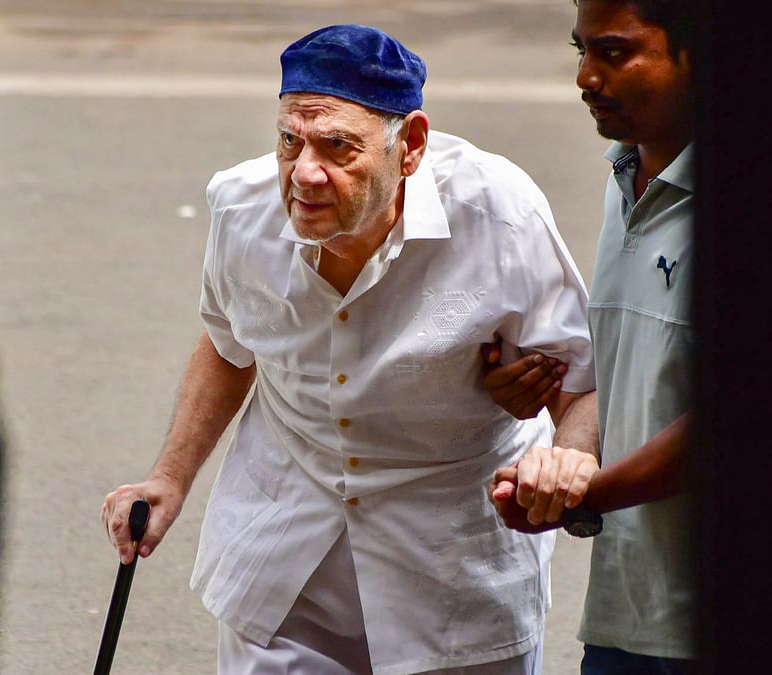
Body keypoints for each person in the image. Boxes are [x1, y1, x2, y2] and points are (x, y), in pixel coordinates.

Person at [99, 24, 600, 674]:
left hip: (451, 563)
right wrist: (168, 478)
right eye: (290, 140)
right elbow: (229, 345)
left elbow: (579, 381)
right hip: (287, 556)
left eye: (337, 146)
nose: (304, 172)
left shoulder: (499, 215)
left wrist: (568, 457)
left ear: (411, 145)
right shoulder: (242, 209)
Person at [483, 1, 772, 673]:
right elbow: (622, 374)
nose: (587, 77)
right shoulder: (626, 185)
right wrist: (551, 414)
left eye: (616, 53)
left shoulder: (758, 208)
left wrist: (588, 496)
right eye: (581, 52)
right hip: (629, 607)